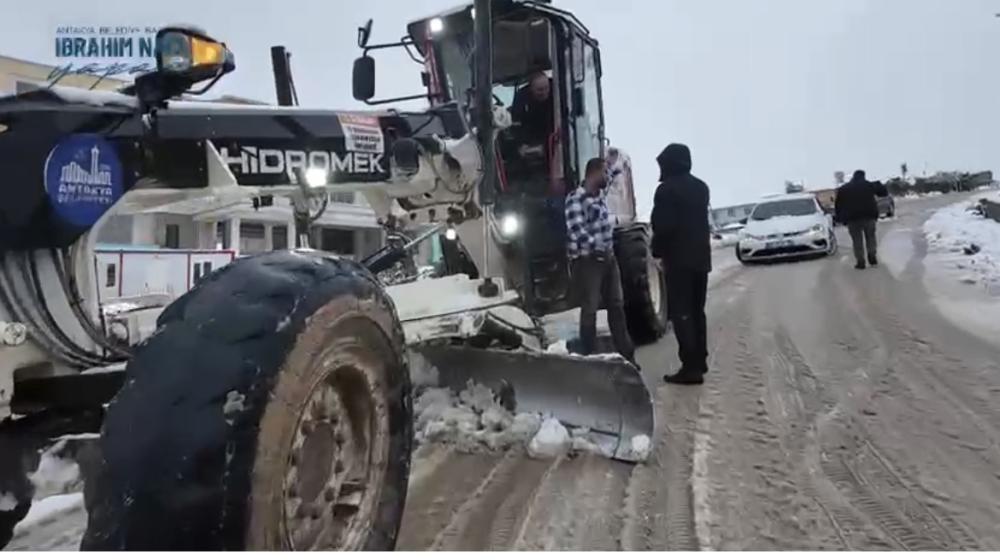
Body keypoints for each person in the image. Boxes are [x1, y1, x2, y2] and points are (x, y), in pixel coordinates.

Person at [565, 157, 636, 366]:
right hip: (588, 262)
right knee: (590, 310)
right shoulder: (576, 199)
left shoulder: (598, 197)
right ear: (593, 174)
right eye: (604, 173)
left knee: (616, 307)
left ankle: (627, 357)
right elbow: (577, 231)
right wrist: (598, 247)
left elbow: (614, 173)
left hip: (608, 259)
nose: (607, 177)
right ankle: (589, 360)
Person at [651, 143, 712, 385]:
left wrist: (657, 251)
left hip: (678, 261)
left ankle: (690, 367)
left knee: (682, 313)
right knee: (697, 312)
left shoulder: (666, 191)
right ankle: (700, 360)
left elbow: (663, 226)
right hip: (701, 259)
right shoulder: (701, 187)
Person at [835, 169, 879, 269]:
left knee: (857, 241)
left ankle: (861, 261)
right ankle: (872, 256)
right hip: (869, 217)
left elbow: (838, 205)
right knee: (871, 238)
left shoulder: (844, 188)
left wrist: (840, 218)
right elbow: (883, 192)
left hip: (852, 219)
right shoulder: (868, 185)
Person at [510, 72, 554, 150]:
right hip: (532, 136)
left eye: (546, 88)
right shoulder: (521, 97)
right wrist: (521, 144)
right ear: (531, 88)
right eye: (540, 90)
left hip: (554, 134)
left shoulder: (557, 89)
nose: (544, 92)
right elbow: (516, 123)